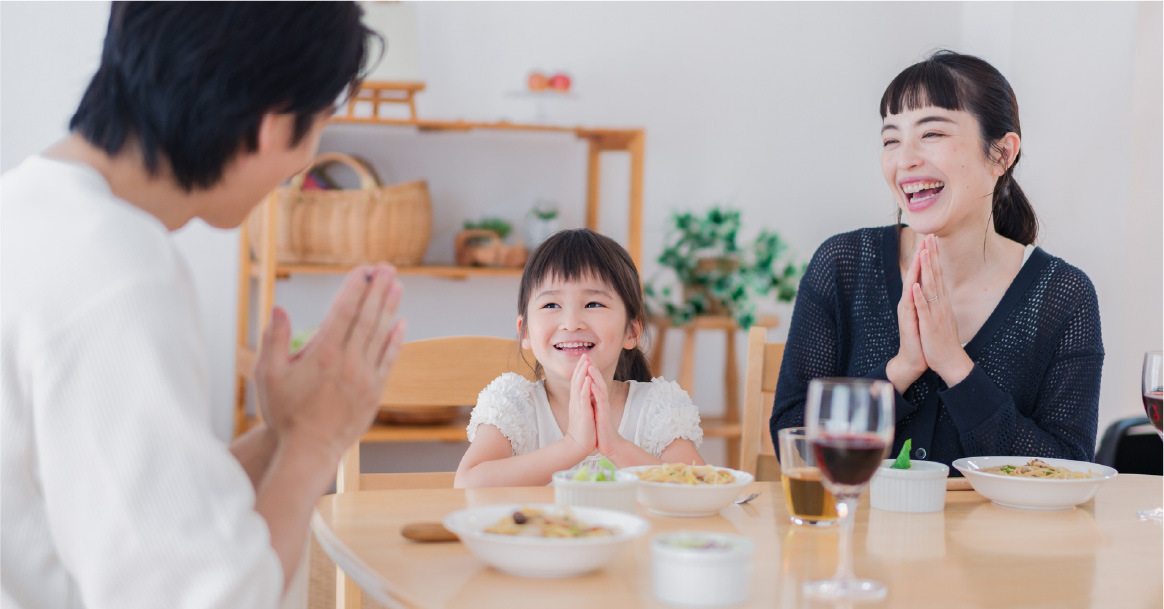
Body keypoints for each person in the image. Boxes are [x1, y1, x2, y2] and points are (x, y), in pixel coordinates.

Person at [1, 4, 406, 608]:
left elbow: (144, 509)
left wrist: (283, 432)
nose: (302, 166)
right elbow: (210, 596)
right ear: (273, 125)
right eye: (319, 124)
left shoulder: (26, 207)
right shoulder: (120, 276)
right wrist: (318, 441)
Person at [770, 51, 1103, 470]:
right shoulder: (843, 266)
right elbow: (793, 436)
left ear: (1002, 153)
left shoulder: (1062, 295)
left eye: (931, 134)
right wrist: (901, 369)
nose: (904, 159)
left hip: (998, 537)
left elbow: (1068, 465)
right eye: (891, 139)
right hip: (861, 532)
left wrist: (955, 365)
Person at [454, 229, 706, 487]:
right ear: (525, 332)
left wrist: (616, 448)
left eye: (594, 304)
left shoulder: (657, 407)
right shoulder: (514, 404)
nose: (571, 323)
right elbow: (468, 483)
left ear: (631, 332)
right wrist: (572, 446)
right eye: (551, 305)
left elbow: (699, 487)